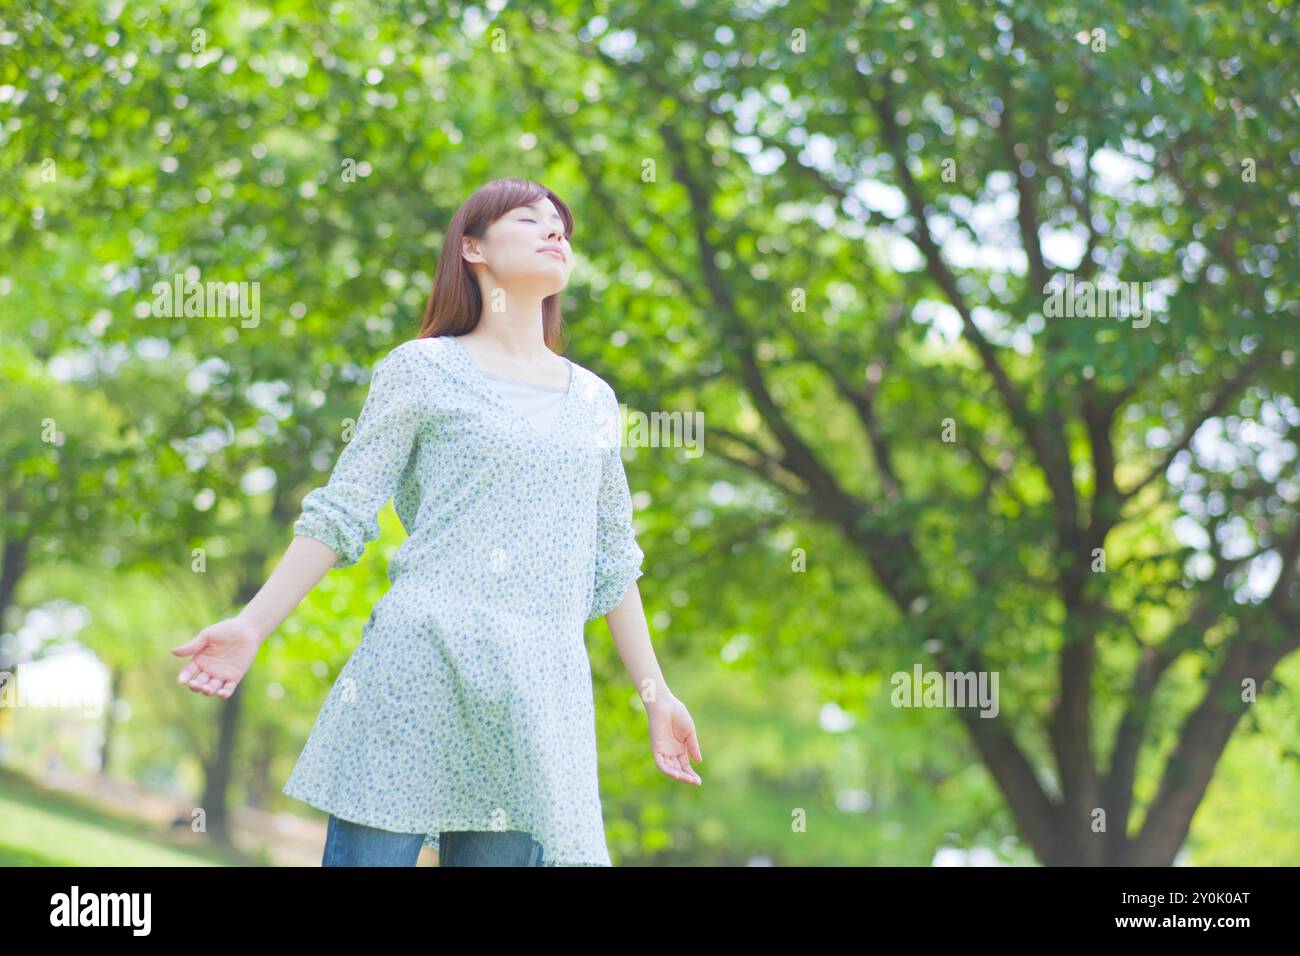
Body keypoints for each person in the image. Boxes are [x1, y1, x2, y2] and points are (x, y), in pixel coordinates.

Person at [171, 177, 702, 867]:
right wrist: (251, 624)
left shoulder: (595, 401)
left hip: (538, 689)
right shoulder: (422, 369)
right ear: (472, 247)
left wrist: (656, 696)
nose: (554, 232)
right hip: (419, 664)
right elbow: (340, 511)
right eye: (529, 219)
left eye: (561, 226)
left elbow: (612, 562)